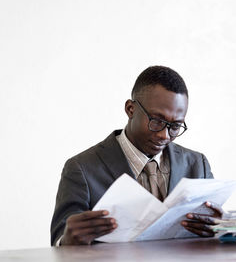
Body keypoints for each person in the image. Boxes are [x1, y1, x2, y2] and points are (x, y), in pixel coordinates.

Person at [50, 66, 223, 246]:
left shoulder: (197, 165)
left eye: (175, 126)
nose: (165, 135)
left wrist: (218, 229)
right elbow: (59, 240)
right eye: (156, 120)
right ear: (130, 109)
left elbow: (212, 233)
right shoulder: (82, 169)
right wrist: (67, 240)